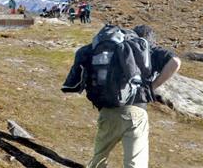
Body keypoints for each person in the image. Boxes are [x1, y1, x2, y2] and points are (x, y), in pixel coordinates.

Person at [61, 25, 181, 168]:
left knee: (99, 157)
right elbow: (175, 62)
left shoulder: (116, 47)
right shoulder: (147, 49)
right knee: (135, 162)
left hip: (107, 110)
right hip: (136, 112)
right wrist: (151, 87)